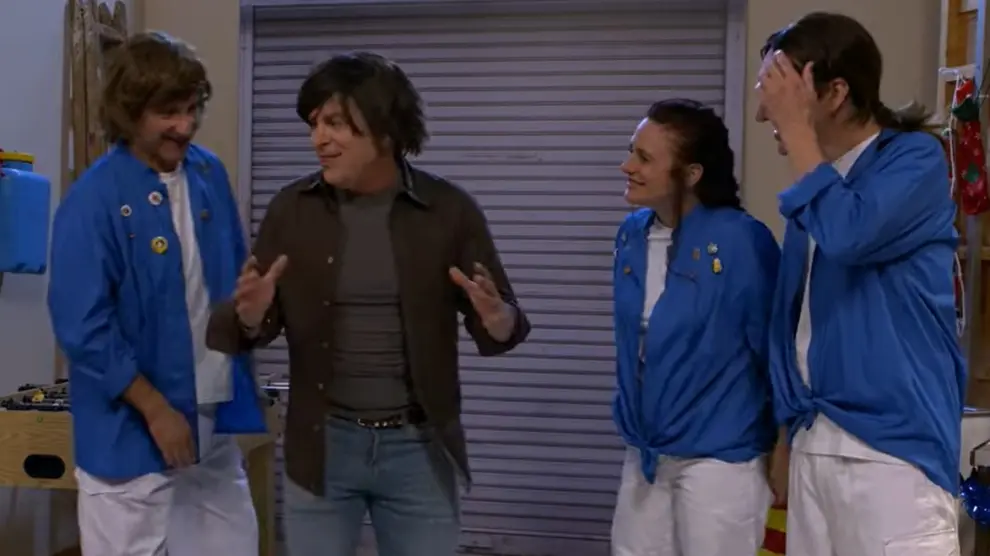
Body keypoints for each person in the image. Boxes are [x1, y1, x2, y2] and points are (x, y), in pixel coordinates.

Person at [205, 51, 531, 556]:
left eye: (335, 123)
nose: (318, 139)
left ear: (384, 127)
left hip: (419, 451)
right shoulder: (292, 211)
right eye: (314, 124)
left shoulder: (449, 211)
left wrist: (498, 317)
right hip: (323, 448)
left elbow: (504, 323)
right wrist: (248, 316)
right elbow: (247, 326)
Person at [47, 32, 265, 556]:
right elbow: (83, 326)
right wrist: (155, 409)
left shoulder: (208, 174)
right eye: (168, 113)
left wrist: (254, 314)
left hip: (210, 427)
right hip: (129, 439)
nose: (185, 126)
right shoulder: (94, 199)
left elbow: (231, 282)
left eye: (192, 109)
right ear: (130, 113)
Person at [756, 12, 966, 556]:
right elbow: (793, 323)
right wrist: (786, 433)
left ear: (835, 92)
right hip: (815, 443)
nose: (764, 113)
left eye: (779, 94)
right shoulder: (815, 189)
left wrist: (798, 132)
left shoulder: (914, 161)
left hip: (891, 454)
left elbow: (851, 234)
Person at [609, 98, 780, 556]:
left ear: (691, 174)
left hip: (719, 458)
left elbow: (775, 351)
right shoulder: (631, 236)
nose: (627, 166)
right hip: (646, 452)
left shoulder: (741, 242)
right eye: (631, 151)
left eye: (644, 158)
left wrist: (783, 447)